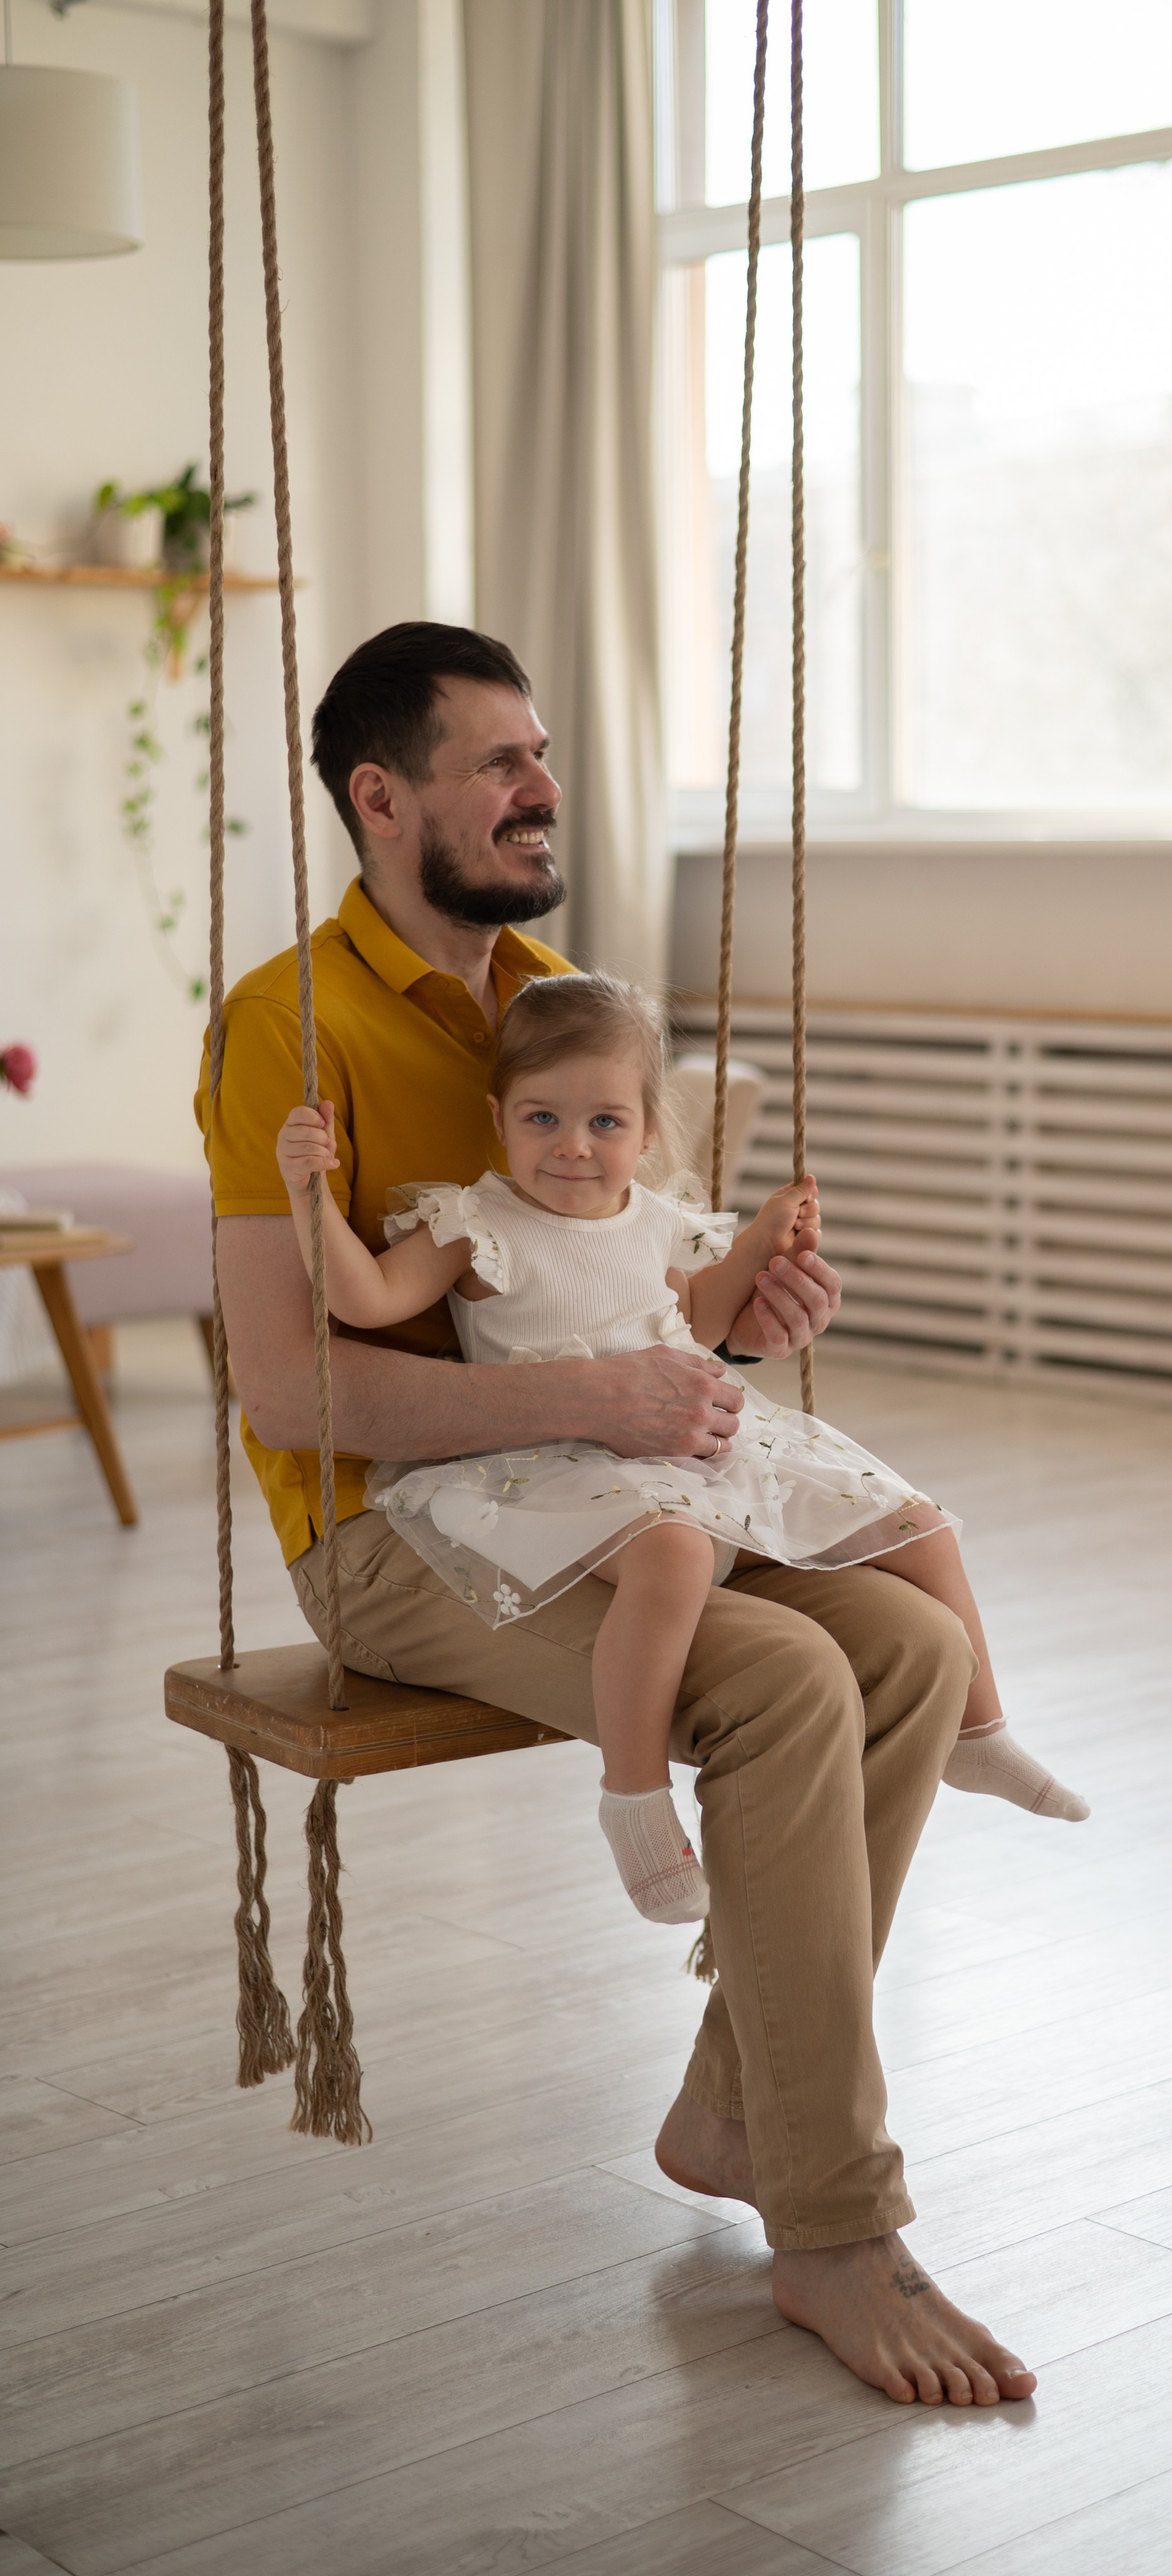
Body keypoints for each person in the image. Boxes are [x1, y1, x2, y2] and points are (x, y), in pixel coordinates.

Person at [201, 620, 1039, 2407]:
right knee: (788, 1680)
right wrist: (599, 1399)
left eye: (543, 751)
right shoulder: (285, 1027)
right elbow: (287, 1393)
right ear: (382, 798)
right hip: (394, 1529)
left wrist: (740, 1317)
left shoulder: (567, 1004)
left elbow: (635, 1315)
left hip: (597, 1495)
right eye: (500, 761)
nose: (544, 786)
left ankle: (738, 2106)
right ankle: (836, 2222)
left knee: (903, 1644)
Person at [273, 969, 1089, 1929]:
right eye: (542, 1119)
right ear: (499, 1119)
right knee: (674, 1556)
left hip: (687, 1444)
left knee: (921, 1525)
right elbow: (365, 1299)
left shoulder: (654, 1221)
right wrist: (307, 1192)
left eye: (605, 1123)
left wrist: (761, 1245)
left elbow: (694, 1324)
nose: (573, 1146)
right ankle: (634, 1798)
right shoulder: (475, 1225)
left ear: (650, 1132)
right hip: (558, 1458)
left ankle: (981, 1732)